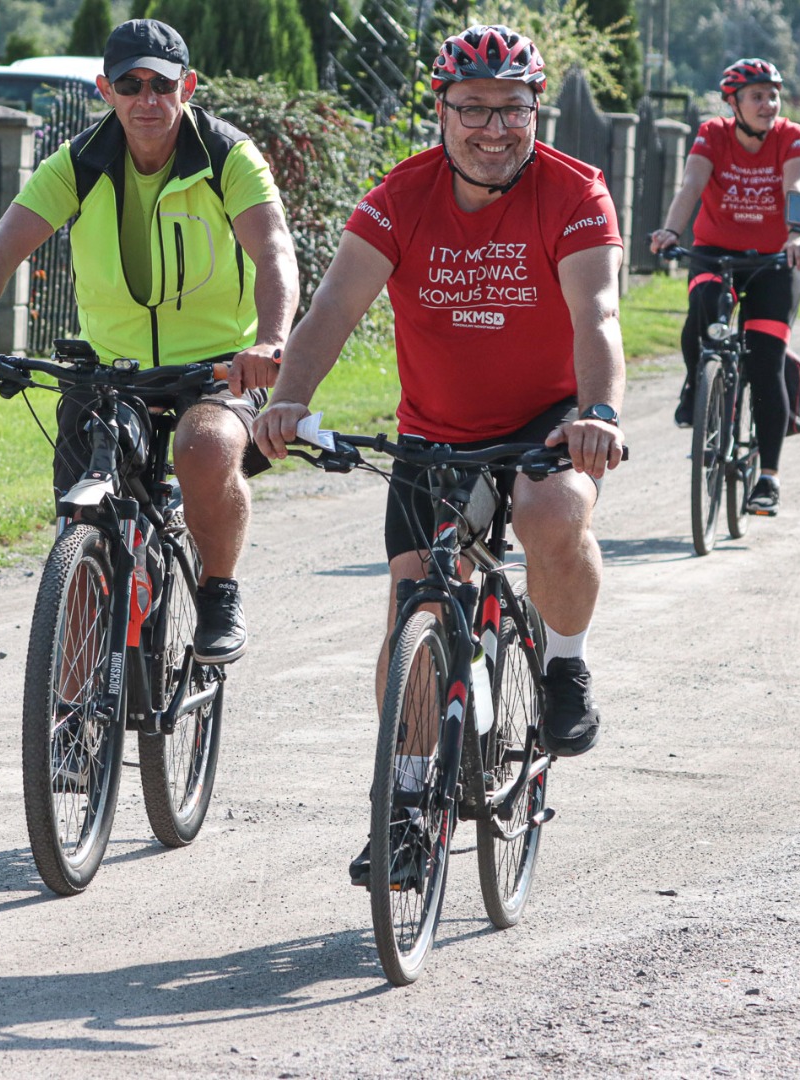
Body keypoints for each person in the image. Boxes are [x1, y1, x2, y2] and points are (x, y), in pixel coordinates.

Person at [250, 25, 627, 887]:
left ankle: (563, 666)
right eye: (473, 110)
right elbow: (333, 311)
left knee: (553, 513)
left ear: (537, 109)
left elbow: (596, 316)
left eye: (513, 109)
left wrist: (598, 412)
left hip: (547, 420)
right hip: (434, 430)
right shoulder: (400, 197)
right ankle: (410, 802)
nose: (494, 129)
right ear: (441, 110)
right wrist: (289, 401)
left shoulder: (575, 193)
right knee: (415, 600)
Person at [0, 18, 298, 665]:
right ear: (106, 89)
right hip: (109, 372)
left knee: (205, 446)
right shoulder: (81, 162)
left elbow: (273, 252)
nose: (147, 99)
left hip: (214, 370)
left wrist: (269, 343)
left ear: (190, 86)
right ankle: (70, 719)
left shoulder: (228, 158)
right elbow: (1, 249)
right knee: (82, 531)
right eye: (131, 84)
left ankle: (219, 592)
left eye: (162, 84)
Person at [649, 58, 800, 516]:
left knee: (766, 361)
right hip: (715, 252)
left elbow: (797, 182)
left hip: (775, 262)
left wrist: (796, 231)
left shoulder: (792, 136)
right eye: (757, 96)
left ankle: (768, 478)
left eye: (773, 94)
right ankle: (695, 385)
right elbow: (691, 185)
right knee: (701, 306)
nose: (769, 104)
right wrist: (670, 232)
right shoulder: (711, 134)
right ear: (733, 103)